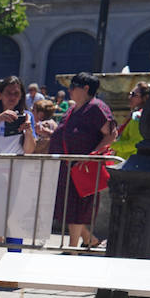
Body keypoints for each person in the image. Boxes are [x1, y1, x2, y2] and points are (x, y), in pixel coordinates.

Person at [47, 71, 117, 249]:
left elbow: (111, 134)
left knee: (79, 209)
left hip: (83, 169)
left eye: (73, 86)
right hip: (68, 167)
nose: (69, 90)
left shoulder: (96, 107)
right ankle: (89, 239)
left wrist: (90, 157)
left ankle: (72, 249)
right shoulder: (73, 109)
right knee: (69, 209)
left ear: (86, 88)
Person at [111, 81, 150, 161]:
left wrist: (112, 145)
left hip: (129, 163)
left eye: (134, 95)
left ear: (145, 98)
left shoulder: (139, 116)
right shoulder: (134, 114)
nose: (129, 97)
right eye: (130, 93)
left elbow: (135, 143)